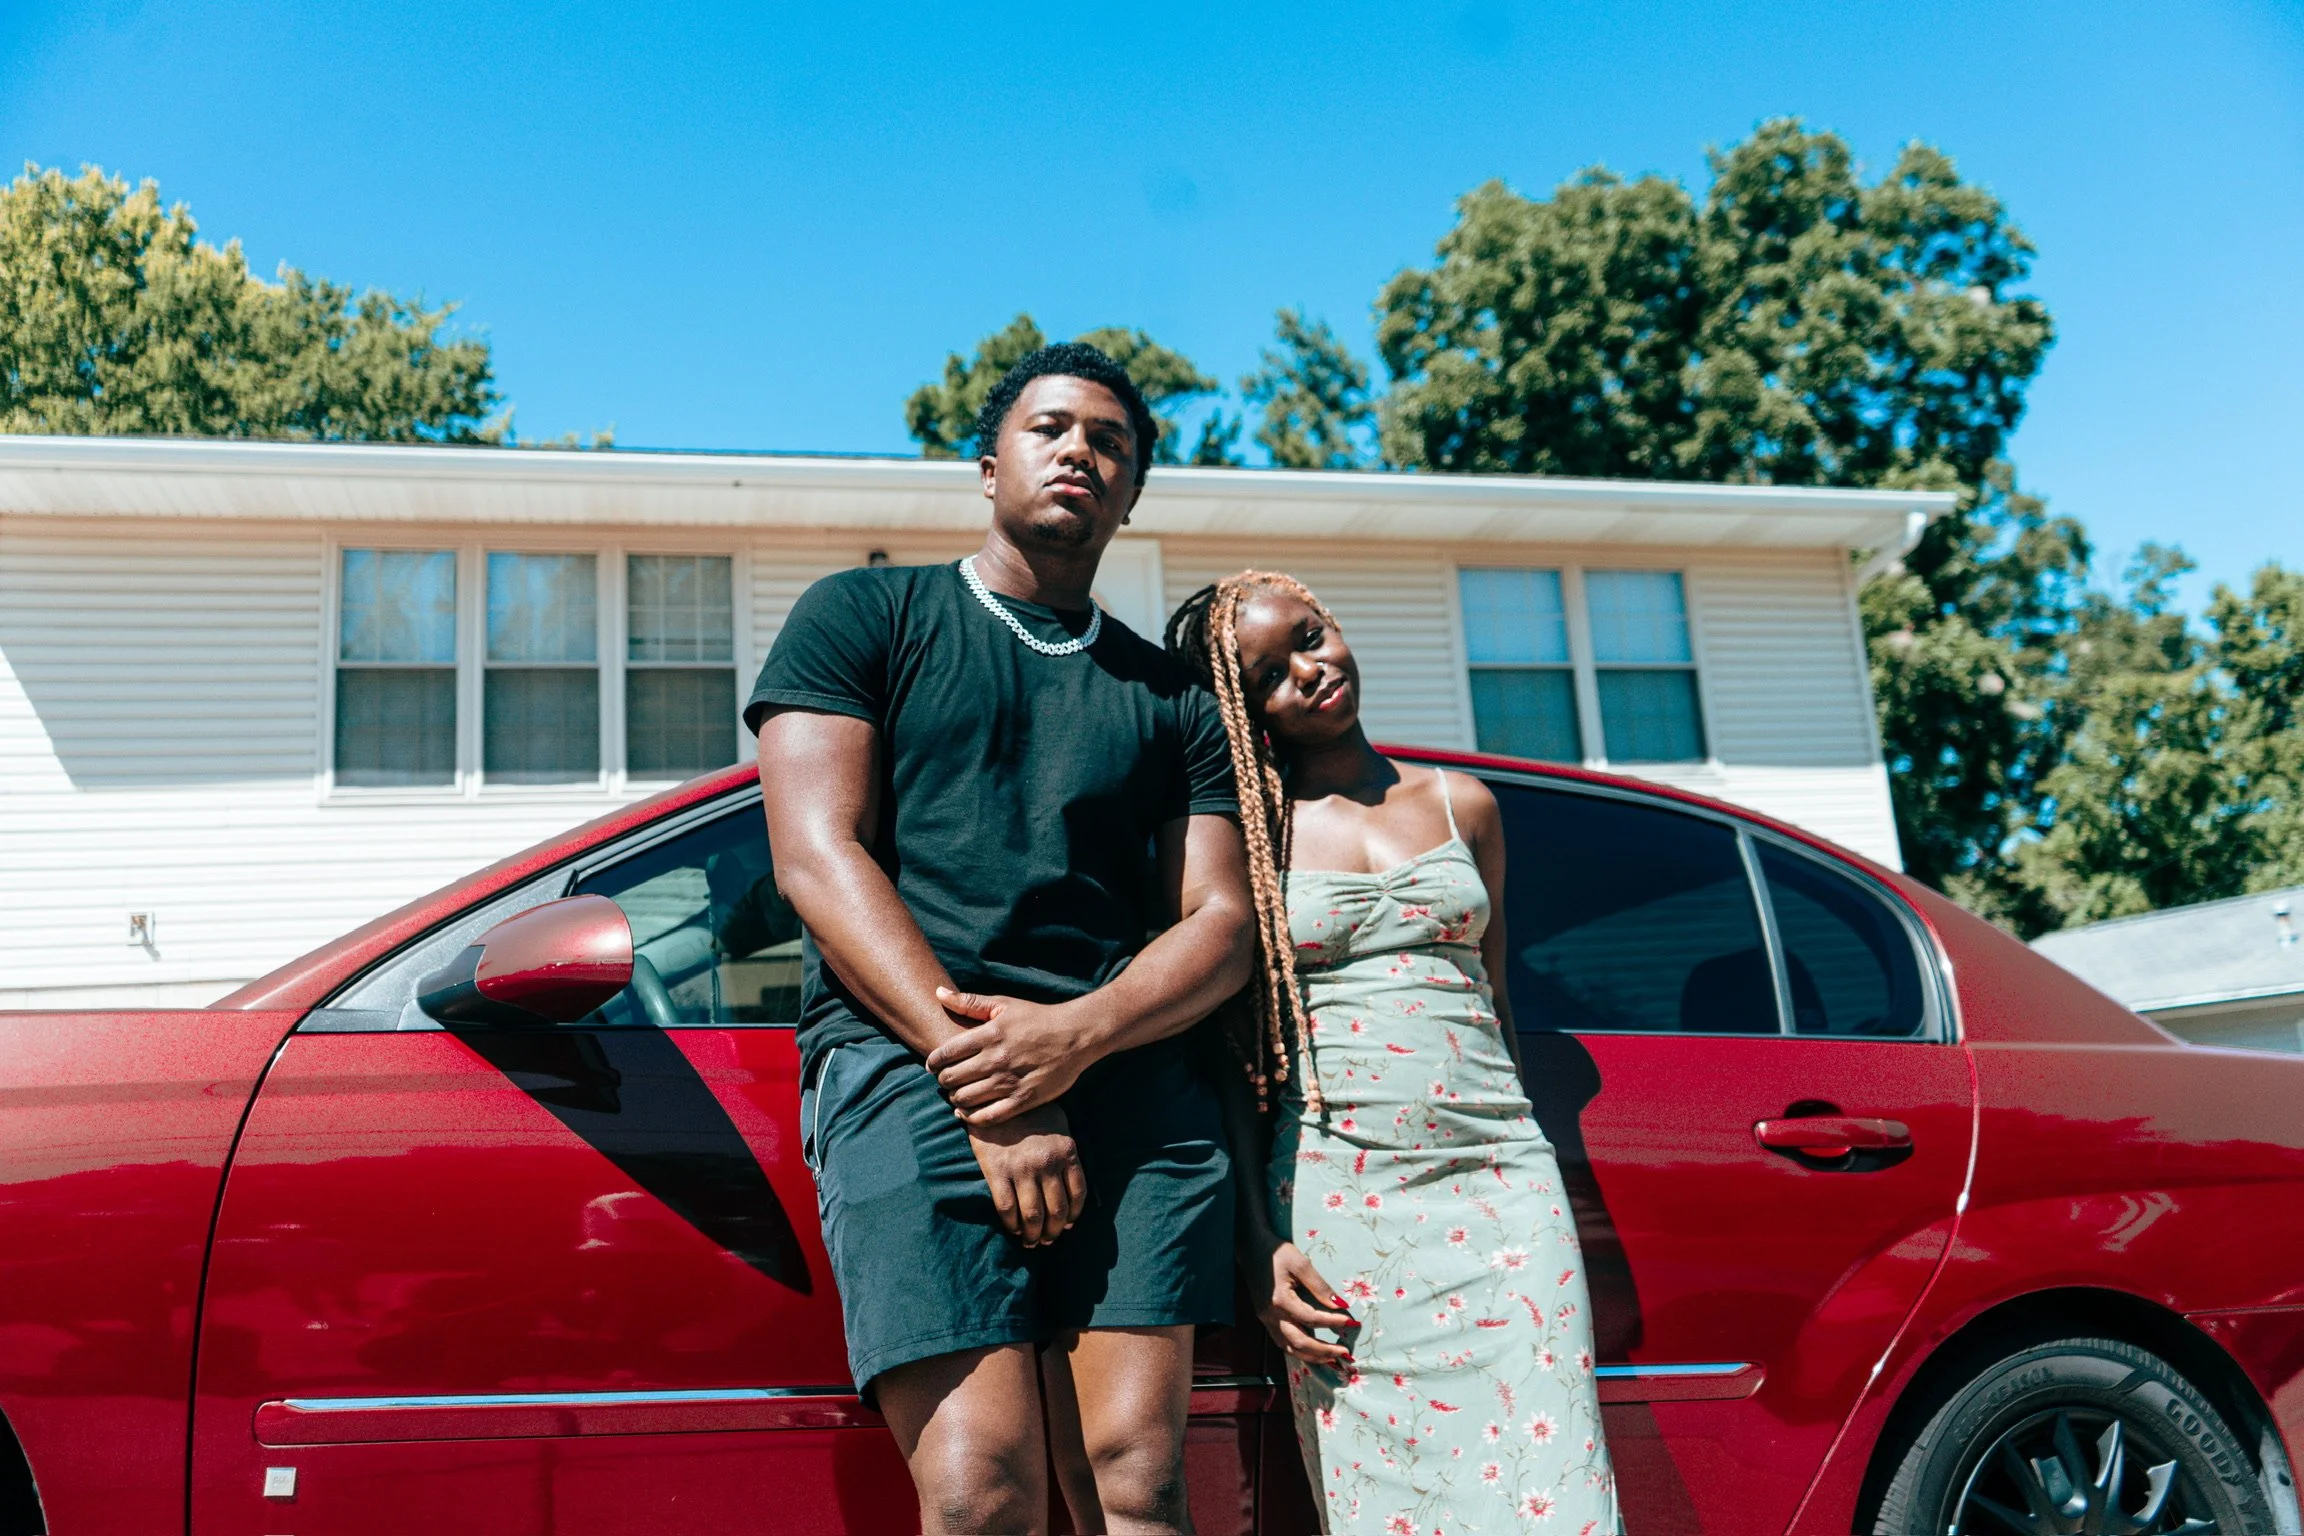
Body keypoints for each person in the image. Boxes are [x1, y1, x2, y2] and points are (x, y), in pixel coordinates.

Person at [749, 343, 1253, 1536]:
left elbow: (1223, 923)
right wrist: (998, 1088)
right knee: (985, 1492)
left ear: (1131, 495)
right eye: (1053, 428)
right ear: (987, 467)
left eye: (1113, 443)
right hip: (911, 1058)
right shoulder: (866, 614)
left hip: (1125, 1073)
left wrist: (1073, 1040)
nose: (1083, 449)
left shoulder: (1172, 695)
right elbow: (817, 856)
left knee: (1137, 1482)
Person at [1166, 572, 1619, 1535]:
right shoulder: (1249, 841)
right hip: (1342, 1192)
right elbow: (1234, 1054)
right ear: (1246, 714)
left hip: (1503, 1186)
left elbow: (1493, 1002)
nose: (1311, 672)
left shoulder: (1468, 806)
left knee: (1556, 1480)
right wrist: (1257, 1242)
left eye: (1313, 635)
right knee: (1387, 1500)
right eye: (1271, 674)